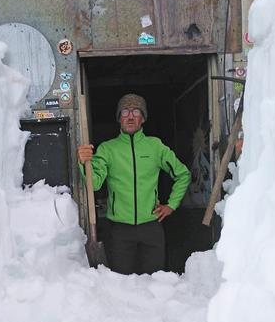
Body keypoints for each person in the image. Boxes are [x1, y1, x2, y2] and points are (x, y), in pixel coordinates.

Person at [78, 93, 191, 275]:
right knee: (123, 286)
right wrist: (84, 163)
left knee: (155, 283)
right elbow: (95, 184)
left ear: (143, 118)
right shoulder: (108, 149)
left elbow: (183, 174)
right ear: (119, 118)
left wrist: (171, 205)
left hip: (152, 228)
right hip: (120, 231)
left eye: (136, 111)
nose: (130, 116)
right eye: (125, 111)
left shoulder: (155, 146)